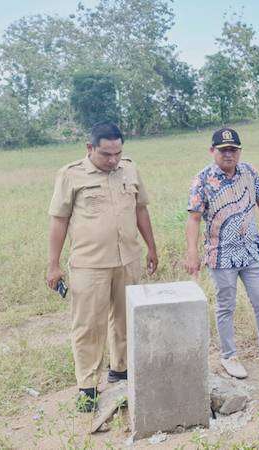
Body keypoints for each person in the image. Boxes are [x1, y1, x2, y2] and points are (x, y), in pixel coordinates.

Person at [46, 122, 158, 412]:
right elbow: (59, 220)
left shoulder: (130, 169)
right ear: (90, 148)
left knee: (125, 319)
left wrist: (151, 247)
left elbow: (140, 209)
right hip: (89, 264)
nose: (112, 160)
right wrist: (53, 264)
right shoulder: (71, 175)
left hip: (128, 259)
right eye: (106, 154)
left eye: (117, 153)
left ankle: (120, 370)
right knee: (88, 326)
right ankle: (87, 386)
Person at [184, 127, 259, 380]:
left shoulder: (249, 172)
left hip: (251, 252)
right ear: (213, 151)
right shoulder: (202, 180)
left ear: (239, 151)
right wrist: (192, 253)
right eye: (223, 150)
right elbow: (194, 218)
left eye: (233, 150)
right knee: (226, 306)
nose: (228, 155)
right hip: (221, 256)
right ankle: (229, 356)